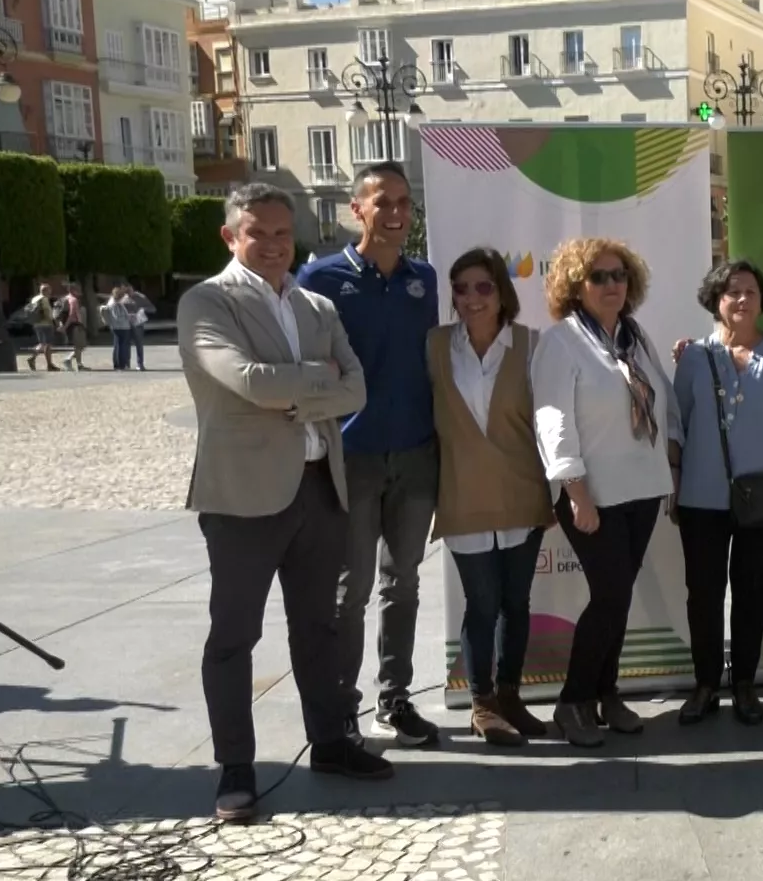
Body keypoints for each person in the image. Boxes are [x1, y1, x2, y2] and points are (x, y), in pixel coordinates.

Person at [178, 183, 389, 823]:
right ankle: (236, 768)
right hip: (243, 497)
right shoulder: (206, 302)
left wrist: (304, 393)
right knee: (235, 635)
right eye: (257, 232)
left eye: (281, 233)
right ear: (230, 236)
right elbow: (245, 380)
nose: (272, 245)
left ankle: (328, 742)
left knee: (318, 627)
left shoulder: (315, 305)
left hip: (320, 488)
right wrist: (314, 385)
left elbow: (356, 388)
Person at [298, 161, 442, 749]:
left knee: (402, 582)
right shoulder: (321, 278)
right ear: (356, 209)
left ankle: (395, 698)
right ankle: (341, 710)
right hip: (350, 456)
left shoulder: (425, 279)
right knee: (350, 590)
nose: (396, 214)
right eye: (383, 202)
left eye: (404, 203)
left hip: (415, 453)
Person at [531, 236, 679, 747]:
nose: (612, 285)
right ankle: (573, 702)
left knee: (616, 600)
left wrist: (673, 462)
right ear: (576, 285)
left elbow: (661, 399)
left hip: (641, 487)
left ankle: (606, 694)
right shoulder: (562, 342)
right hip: (590, 493)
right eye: (599, 277)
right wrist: (575, 491)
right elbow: (553, 420)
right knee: (611, 595)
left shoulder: (633, 338)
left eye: (619, 276)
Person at [671, 260, 763, 726]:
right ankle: (706, 683)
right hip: (700, 499)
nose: (743, 300)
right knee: (704, 595)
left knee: (752, 593)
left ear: (762, 301)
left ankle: (746, 683)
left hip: (761, 502)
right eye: (733, 291)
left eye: (752, 291)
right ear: (716, 299)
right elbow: (678, 427)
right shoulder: (693, 357)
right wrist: (672, 486)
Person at [428, 248, 554, 747]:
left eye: (484, 287)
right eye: (461, 288)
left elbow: (550, 417)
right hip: (462, 496)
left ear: (503, 293)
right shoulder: (435, 347)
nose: (472, 298)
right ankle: (481, 704)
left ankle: (509, 697)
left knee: (516, 603)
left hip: (521, 492)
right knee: (481, 604)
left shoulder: (530, 345)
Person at [102, 285, 135, 371]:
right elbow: (117, 317)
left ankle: (118, 364)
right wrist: (128, 317)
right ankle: (121, 365)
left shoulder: (114, 302)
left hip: (119, 327)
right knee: (121, 347)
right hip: (121, 327)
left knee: (118, 346)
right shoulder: (115, 304)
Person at [25, 284, 57, 373]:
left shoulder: (35, 299)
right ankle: (49, 364)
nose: (50, 292)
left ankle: (32, 358)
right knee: (48, 344)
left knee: (42, 343)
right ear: (46, 290)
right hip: (46, 324)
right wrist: (53, 322)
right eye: (49, 290)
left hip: (36, 324)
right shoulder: (44, 299)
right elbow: (47, 312)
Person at [61, 285, 89, 372]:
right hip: (75, 324)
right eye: (78, 290)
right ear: (72, 290)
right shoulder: (73, 300)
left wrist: (64, 326)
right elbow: (72, 314)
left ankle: (73, 361)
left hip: (70, 325)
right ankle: (75, 363)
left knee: (80, 346)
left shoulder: (64, 298)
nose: (79, 291)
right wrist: (80, 324)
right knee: (79, 345)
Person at [123, 286, 153, 370]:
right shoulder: (123, 298)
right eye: (126, 293)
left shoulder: (141, 297)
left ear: (132, 290)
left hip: (138, 324)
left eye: (129, 292)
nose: (128, 294)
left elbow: (152, 308)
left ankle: (140, 364)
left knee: (139, 344)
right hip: (126, 324)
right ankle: (126, 364)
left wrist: (143, 309)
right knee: (126, 344)